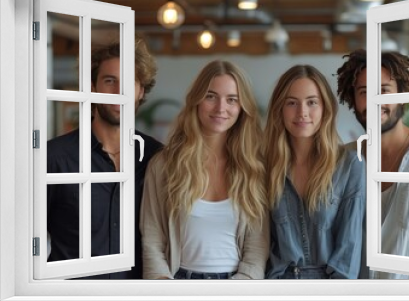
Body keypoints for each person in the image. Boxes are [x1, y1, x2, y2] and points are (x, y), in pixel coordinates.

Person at [140, 60, 269, 280]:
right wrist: (164, 289)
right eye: (211, 96)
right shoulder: (164, 165)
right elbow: (152, 238)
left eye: (231, 100)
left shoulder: (254, 166)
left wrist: (240, 289)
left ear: (242, 107)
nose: (221, 108)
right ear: (197, 101)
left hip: (238, 287)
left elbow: (257, 247)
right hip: (177, 285)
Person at [47, 38, 163, 279]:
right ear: (92, 87)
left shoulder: (158, 158)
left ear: (141, 91)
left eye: (129, 82)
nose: (118, 92)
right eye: (110, 81)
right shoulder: (54, 158)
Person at [336, 49, 409, 279]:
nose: (375, 101)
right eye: (364, 92)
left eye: (384, 91)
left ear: (403, 94)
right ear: (353, 99)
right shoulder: (341, 161)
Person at [264, 65, 366, 279]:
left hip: (330, 289)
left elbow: (349, 251)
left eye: (312, 102)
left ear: (325, 108)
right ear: (279, 109)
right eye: (292, 103)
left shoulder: (349, 166)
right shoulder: (265, 167)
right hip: (276, 288)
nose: (302, 112)